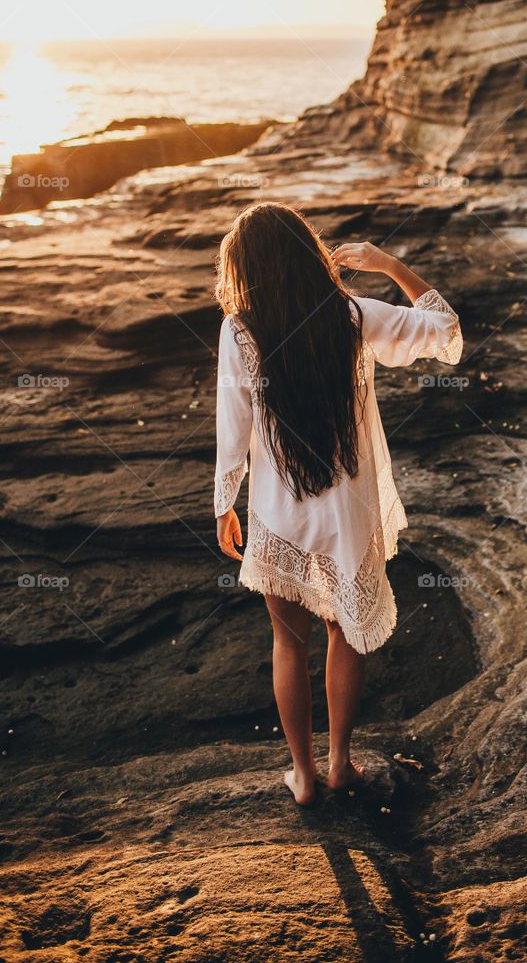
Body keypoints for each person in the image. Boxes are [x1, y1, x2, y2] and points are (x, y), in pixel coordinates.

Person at [213, 202, 462, 805]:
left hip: (281, 511)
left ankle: (302, 776)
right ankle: (339, 764)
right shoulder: (350, 316)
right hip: (347, 511)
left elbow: (234, 426)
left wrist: (225, 502)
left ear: (245, 267)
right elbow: (446, 330)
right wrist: (388, 264)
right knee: (343, 633)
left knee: (288, 643)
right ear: (308, 254)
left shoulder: (239, 331)